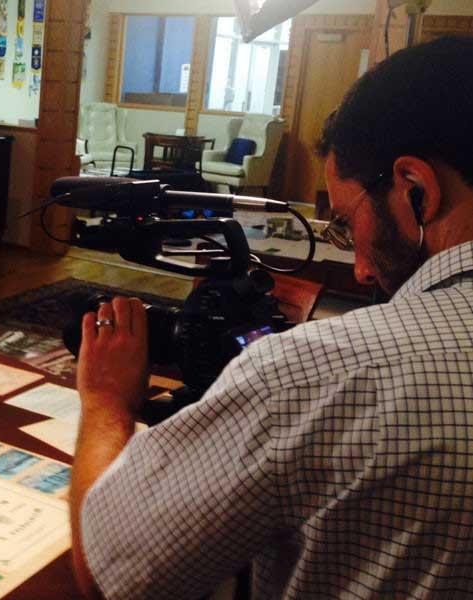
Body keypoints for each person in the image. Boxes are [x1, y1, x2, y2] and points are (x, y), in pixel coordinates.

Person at [70, 36, 473, 599]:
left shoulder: (319, 374)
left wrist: (106, 403)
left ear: (415, 191)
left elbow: (107, 572)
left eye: (348, 220)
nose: (359, 269)